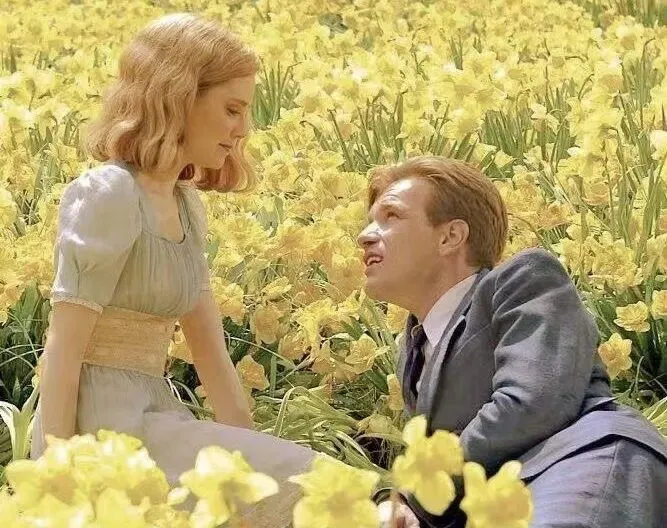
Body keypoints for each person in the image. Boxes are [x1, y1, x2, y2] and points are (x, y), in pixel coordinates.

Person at [32, 13, 313, 526]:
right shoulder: (108, 193)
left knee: (302, 489)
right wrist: (57, 479)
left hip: (155, 419)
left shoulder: (184, 203)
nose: (243, 129)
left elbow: (210, 352)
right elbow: (63, 352)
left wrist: (254, 474)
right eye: (232, 109)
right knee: (315, 485)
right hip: (101, 436)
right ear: (178, 96)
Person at [357, 156, 667, 528]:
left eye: (391, 216)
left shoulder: (524, 280)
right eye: (370, 220)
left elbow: (531, 402)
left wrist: (415, 495)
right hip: (502, 503)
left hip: (578, 464)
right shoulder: (412, 351)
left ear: (450, 237)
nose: (365, 235)